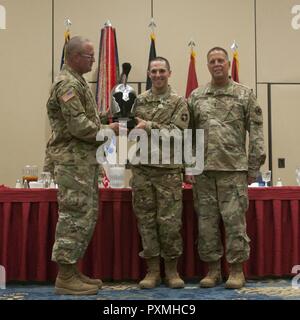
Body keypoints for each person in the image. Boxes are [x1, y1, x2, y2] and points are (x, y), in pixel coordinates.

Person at [186, 47, 266, 289]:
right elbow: (188, 135)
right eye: (212, 61)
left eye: (221, 60)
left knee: (234, 223)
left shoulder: (244, 94)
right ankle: (212, 270)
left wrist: (253, 167)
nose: (217, 64)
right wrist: (189, 166)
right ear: (207, 66)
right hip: (204, 172)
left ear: (228, 64)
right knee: (207, 223)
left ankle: (236, 270)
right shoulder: (197, 96)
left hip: (233, 171)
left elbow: (257, 133)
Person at [45, 36, 119, 295]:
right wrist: (110, 129)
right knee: (74, 216)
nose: (94, 61)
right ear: (75, 56)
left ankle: (72, 270)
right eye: (90, 56)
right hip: (72, 161)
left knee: (84, 216)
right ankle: (65, 276)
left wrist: (108, 118)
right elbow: (79, 127)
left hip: (82, 161)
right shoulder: (67, 84)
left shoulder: (77, 82)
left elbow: (86, 118)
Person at [130, 57, 189, 289]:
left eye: (162, 71)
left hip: (168, 170)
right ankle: (152, 271)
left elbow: (179, 134)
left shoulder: (178, 102)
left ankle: (172, 271)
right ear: (148, 73)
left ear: (169, 73)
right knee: (146, 221)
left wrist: (150, 126)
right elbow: (128, 125)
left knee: (170, 222)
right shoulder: (139, 101)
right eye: (153, 71)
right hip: (142, 170)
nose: (157, 75)